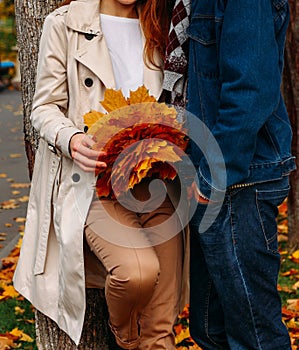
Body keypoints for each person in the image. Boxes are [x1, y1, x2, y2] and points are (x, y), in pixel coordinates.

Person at [13, 0, 188, 349]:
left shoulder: (159, 24)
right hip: (93, 183)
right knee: (136, 273)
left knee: (163, 325)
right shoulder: (65, 23)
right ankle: (125, 335)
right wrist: (71, 137)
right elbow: (44, 106)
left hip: (154, 182)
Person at [187, 0, 296, 349]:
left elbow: (249, 90)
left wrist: (214, 176)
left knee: (255, 337)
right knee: (210, 331)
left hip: (238, 180)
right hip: (211, 177)